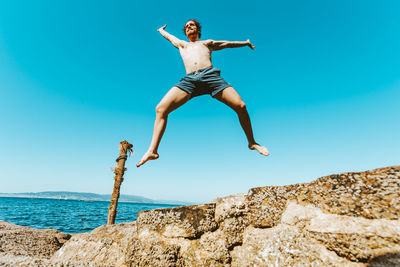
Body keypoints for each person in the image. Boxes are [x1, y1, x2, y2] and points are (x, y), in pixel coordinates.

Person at [137, 19, 269, 167]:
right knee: (161, 108)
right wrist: (161, 31)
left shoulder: (206, 43)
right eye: (186, 26)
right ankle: (152, 150)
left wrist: (245, 43)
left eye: (191, 25)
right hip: (190, 80)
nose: (188, 27)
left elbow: (227, 43)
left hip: (210, 76)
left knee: (241, 106)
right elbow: (170, 37)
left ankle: (252, 143)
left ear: (198, 30)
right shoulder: (182, 45)